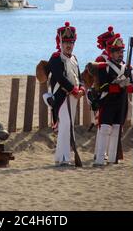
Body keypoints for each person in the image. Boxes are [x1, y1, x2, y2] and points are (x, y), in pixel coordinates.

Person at [47, 21, 85, 167]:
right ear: (60, 43)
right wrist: (73, 89)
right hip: (61, 97)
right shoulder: (56, 58)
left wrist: (81, 89)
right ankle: (64, 158)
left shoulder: (74, 58)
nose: (68, 45)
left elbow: (79, 77)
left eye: (71, 42)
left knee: (68, 125)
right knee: (66, 125)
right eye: (66, 42)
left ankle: (60, 157)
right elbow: (60, 77)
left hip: (74, 97)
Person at [93, 33, 133, 166]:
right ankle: (99, 159)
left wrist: (128, 84)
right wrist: (118, 85)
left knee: (116, 131)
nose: (120, 54)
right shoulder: (104, 66)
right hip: (108, 102)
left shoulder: (127, 68)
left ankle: (111, 159)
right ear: (110, 52)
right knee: (105, 130)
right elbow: (103, 87)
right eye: (117, 51)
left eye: (121, 51)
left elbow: (131, 87)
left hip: (121, 103)